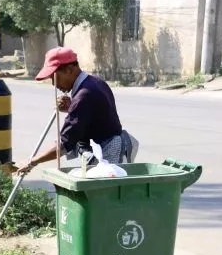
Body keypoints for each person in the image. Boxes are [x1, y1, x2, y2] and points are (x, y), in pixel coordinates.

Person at [16, 47, 138, 175]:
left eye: (55, 77)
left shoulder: (84, 95)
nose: (54, 84)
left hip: (107, 153)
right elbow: (94, 117)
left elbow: (65, 144)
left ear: (69, 70)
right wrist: (71, 108)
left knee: (105, 193)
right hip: (109, 146)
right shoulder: (94, 82)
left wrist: (32, 161)